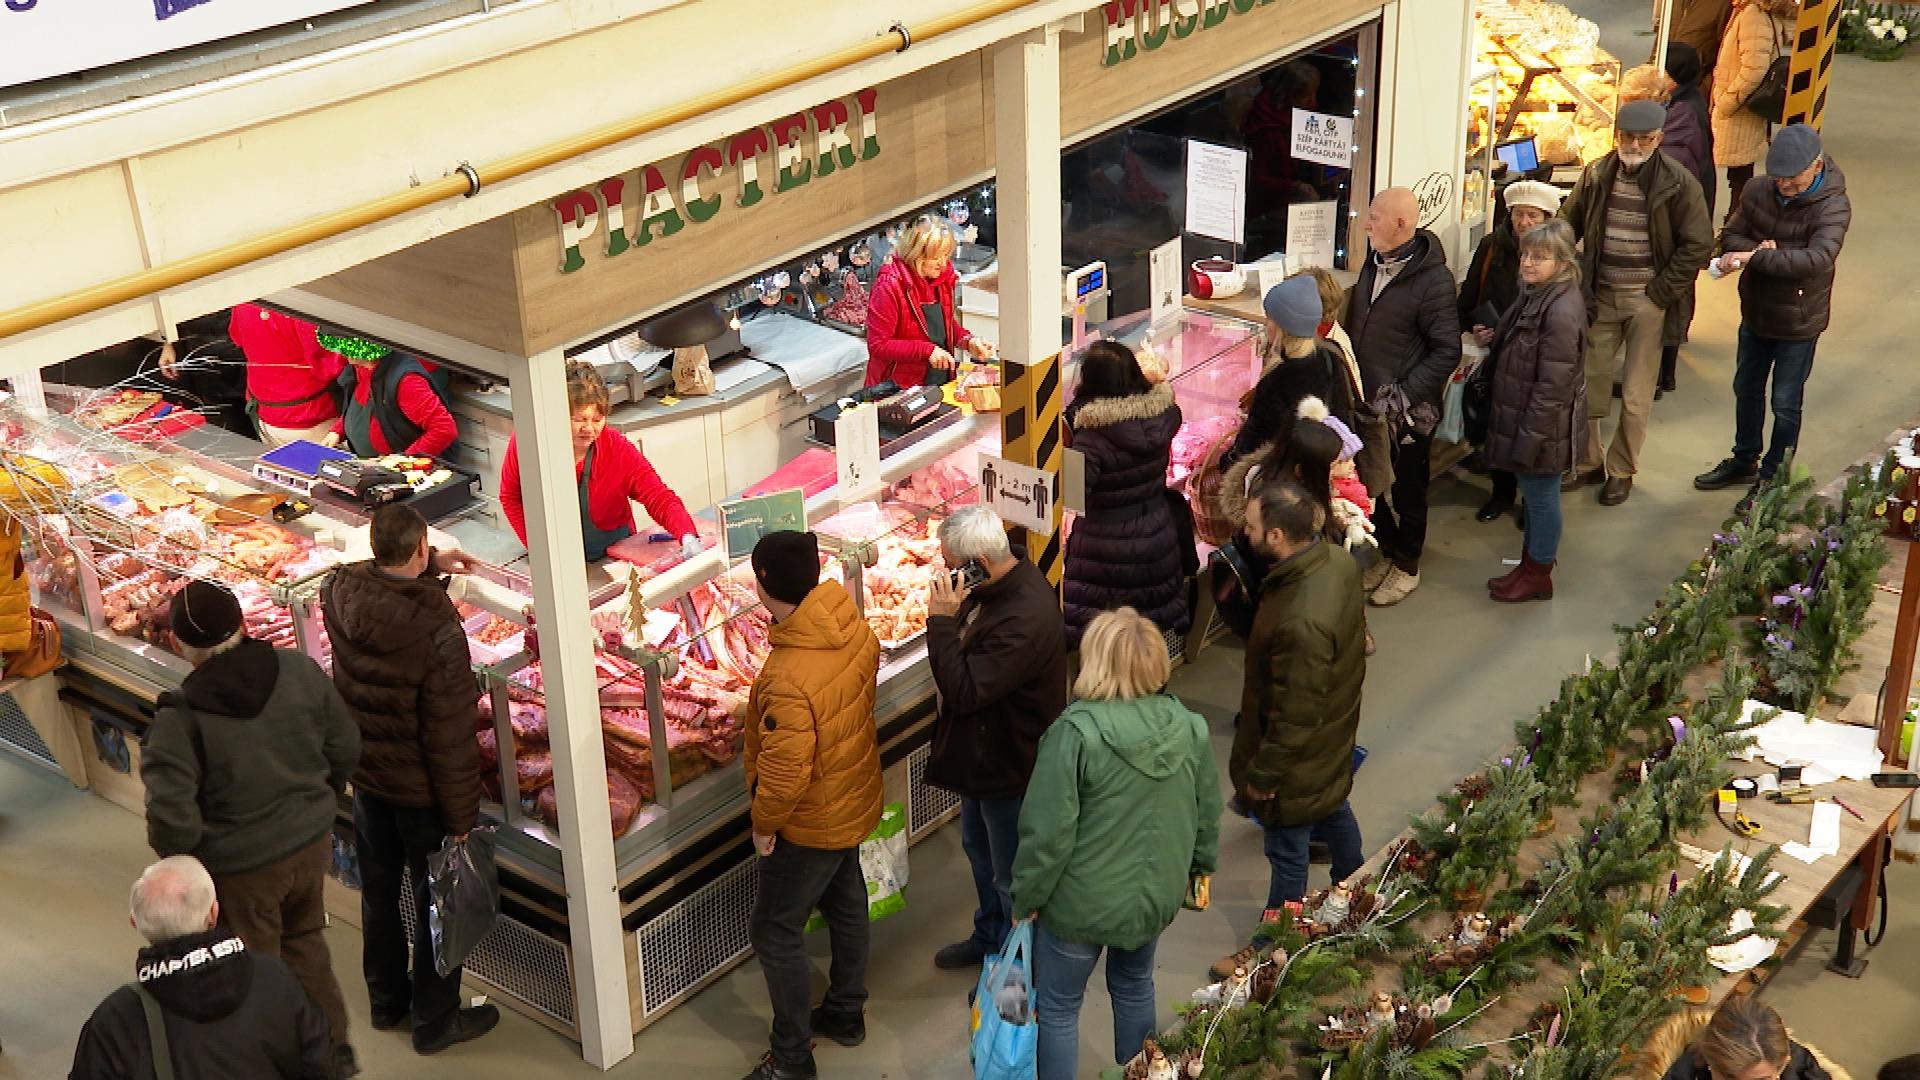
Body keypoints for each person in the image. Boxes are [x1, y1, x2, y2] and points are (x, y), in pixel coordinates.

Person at [141, 581, 361, 1076]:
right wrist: (318, 802)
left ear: (177, 643)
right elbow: (346, 747)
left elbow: (171, 822)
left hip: (240, 870)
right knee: (305, 944)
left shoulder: (180, 719)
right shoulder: (299, 671)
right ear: (242, 624)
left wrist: (192, 861)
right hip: (309, 846)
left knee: (252, 972)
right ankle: (331, 1055)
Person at [1010, 608, 1221, 1080]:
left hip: (1078, 906)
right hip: (1153, 897)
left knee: (1059, 1007)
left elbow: (1047, 833)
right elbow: (1207, 811)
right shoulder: (1190, 727)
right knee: (1134, 985)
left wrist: (1026, 898)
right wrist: (1199, 870)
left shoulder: (1074, 733)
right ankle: (1145, 1073)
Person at [322, 504, 498, 1056]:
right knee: (436, 905)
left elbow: (378, 592)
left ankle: (386, 1001)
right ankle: (435, 1022)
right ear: (420, 548)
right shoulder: (437, 629)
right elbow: (449, 733)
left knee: (379, 892)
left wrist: (430, 565)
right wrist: (461, 817)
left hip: (369, 779)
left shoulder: (341, 594)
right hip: (421, 794)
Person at [741, 529, 884, 1080]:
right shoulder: (850, 622)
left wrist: (764, 824)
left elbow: (785, 773)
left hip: (808, 819)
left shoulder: (787, 675)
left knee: (775, 931)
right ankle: (846, 1012)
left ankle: (792, 1057)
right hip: (850, 794)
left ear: (765, 585)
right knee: (846, 901)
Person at [923, 504, 1069, 970]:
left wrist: (941, 622)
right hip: (982, 759)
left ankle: (1013, 972)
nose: (944, 573)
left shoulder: (1022, 618)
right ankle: (989, 938)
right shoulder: (996, 588)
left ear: (979, 564)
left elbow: (966, 691)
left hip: (1009, 766)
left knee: (1008, 875)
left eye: (950, 565)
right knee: (979, 852)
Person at [1558, 98, 1713, 507]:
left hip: (1646, 300)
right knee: (1587, 383)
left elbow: (1698, 245)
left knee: (1635, 394)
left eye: (1644, 139)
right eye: (1628, 137)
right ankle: (1589, 461)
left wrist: (1659, 293)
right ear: (1617, 136)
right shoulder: (1596, 174)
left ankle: (1621, 470)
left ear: (1659, 139)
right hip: (1601, 296)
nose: (1635, 145)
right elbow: (1568, 222)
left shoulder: (1679, 183)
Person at [69, 856, 335, 1080]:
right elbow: (320, 1065)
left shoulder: (115, 1021)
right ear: (213, 913)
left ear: (135, 923)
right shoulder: (274, 979)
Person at [1694, 124, 1852, 500]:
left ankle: (1773, 476)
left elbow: (1817, 259)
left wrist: (1759, 256)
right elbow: (1730, 235)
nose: (1784, 185)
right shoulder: (1757, 190)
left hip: (1799, 319)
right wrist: (1758, 252)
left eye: (1792, 178)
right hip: (1757, 309)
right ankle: (1745, 458)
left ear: (1816, 166)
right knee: (1746, 388)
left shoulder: (1833, 205)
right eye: (1778, 177)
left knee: (1784, 402)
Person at [1231, 481, 1366, 913]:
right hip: (1331, 733)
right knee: (1332, 804)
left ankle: (1279, 937)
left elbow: (1294, 714)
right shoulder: (1336, 562)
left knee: (1287, 851)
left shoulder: (1299, 621)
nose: (1245, 532)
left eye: (1252, 526)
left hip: (1298, 759)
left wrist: (1262, 776)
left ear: (1277, 536)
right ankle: (1354, 888)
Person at [1343, 186, 1462, 606]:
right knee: (1370, 482)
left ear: (1401, 224)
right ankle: (1389, 551)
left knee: (1409, 490)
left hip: (1410, 413)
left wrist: (1404, 396)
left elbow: (1447, 350)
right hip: (1368, 407)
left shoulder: (1434, 281)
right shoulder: (1373, 262)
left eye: (1374, 217)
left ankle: (1408, 566)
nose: (1366, 223)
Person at [1476, 220, 1588, 604]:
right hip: (1526, 420)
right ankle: (1529, 566)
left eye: (1540, 257)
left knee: (1541, 500)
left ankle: (1538, 575)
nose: (1527, 262)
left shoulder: (1560, 312)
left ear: (1563, 262)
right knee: (1538, 498)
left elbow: (1552, 388)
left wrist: (1527, 442)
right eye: (1526, 254)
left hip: (1541, 429)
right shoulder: (1538, 294)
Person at [498, 361, 700, 561]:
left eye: (597, 420)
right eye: (579, 419)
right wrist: (541, 553)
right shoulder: (528, 442)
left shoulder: (617, 449)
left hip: (616, 557)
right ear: (556, 416)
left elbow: (659, 497)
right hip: (557, 558)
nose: (588, 429)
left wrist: (687, 536)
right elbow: (511, 497)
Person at [1061, 340, 1189, 646]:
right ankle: (1148, 669)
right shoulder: (1161, 414)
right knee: (1145, 625)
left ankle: (1109, 674)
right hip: (1156, 529)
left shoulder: (1093, 438)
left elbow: (1073, 495)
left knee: (1107, 631)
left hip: (1105, 546)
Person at [1457, 179, 1565, 523]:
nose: (1524, 222)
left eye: (1533, 215)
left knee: (1533, 435)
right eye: (1519, 214)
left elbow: (1582, 310)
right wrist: (1476, 325)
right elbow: (1468, 298)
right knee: (1498, 430)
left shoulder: (1563, 255)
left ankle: (1532, 504)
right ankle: (1501, 494)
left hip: (1538, 363)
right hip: (1497, 359)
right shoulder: (1492, 247)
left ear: (1547, 218)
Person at [1228, 275, 1354, 468]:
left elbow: (1252, 444)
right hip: (1322, 471)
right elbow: (1342, 414)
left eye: (1269, 318)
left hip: (1282, 476)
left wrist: (1225, 463)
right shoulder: (1330, 357)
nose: (1266, 325)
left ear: (1282, 328)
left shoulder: (1278, 380)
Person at [863, 216, 996, 388]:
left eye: (945, 255)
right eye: (935, 257)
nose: (943, 263)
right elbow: (878, 345)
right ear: (916, 254)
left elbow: (942, 326)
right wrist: (926, 350)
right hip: (897, 388)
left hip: (937, 381)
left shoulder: (942, 278)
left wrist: (968, 341)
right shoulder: (889, 285)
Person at [1658, 43, 1720, 398]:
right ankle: (1667, 365)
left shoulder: (1684, 113)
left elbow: (1678, 167)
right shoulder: (1689, 102)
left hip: (1683, 218)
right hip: (1692, 210)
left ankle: (1665, 371)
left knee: (1675, 290)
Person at [1713, 0, 1798, 218]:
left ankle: (1737, 225)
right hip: (1743, 107)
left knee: (1740, 173)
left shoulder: (1753, 15)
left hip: (1739, 108)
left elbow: (1754, 70)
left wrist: (1726, 102)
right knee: (1739, 171)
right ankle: (1738, 220)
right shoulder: (1757, 11)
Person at [227, 303, 346, 447]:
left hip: (265, 414)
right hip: (309, 418)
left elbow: (237, 337)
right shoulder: (298, 308)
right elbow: (330, 366)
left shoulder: (246, 300)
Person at [322, 341, 458, 459]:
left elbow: (443, 429)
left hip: (404, 474)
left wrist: (400, 462)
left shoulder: (407, 381)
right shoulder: (359, 367)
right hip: (366, 464)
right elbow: (361, 404)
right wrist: (338, 431)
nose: (341, 354)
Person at [1657, 997, 1834, 1080]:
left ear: (1782, 1067)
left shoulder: (1802, 1068)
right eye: (1729, 1079)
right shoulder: (1684, 1074)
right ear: (1709, 1062)